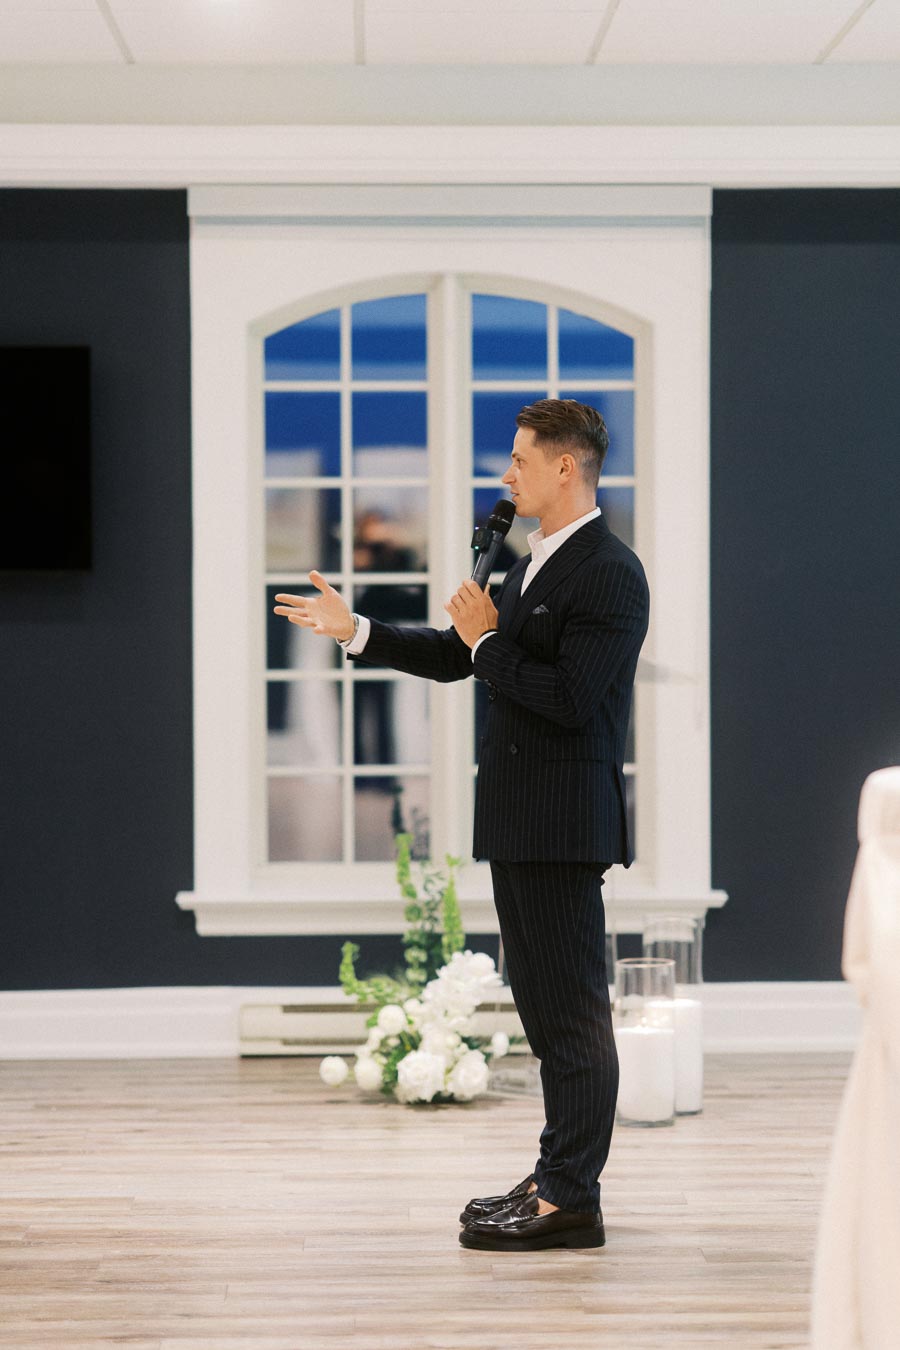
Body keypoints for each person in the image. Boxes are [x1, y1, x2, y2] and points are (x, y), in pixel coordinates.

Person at [273, 398, 650, 1252]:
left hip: (563, 825)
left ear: (566, 468)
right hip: (519, 823)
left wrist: (485, 644)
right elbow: (456, 655)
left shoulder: (610, 572)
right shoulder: (530, 565)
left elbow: (567, 699)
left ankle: (572, 1201)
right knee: (543, 1009)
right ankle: (556, 1173)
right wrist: (357, 629)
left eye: (520, 460)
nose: (506, 476)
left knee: (574, 1016)